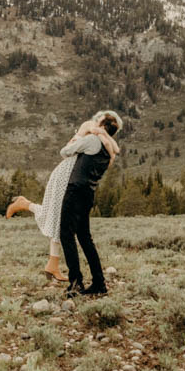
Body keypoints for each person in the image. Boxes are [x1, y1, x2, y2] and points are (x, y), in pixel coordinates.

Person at [6, 112, 122, 281]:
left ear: (103, 126)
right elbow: (70, 152)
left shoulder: (96, 138)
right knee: (57, 218)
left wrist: (85, 136)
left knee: (58, 219)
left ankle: (53, 265)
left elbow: (69, 150)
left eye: (99, 122)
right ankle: (25, 205)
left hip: (71, 179)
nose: (95, 123)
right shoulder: (100, 139)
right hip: (67, 177)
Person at [58, 109, 122, 297]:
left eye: (97, 122)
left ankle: (76, 282)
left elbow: (65, 152)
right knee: (85, 238)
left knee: (66, 234)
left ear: (102, 126)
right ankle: (99, 283)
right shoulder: (109, 153)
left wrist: (78, 134)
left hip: (75, 190)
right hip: (89, 192)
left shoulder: (93, 141)